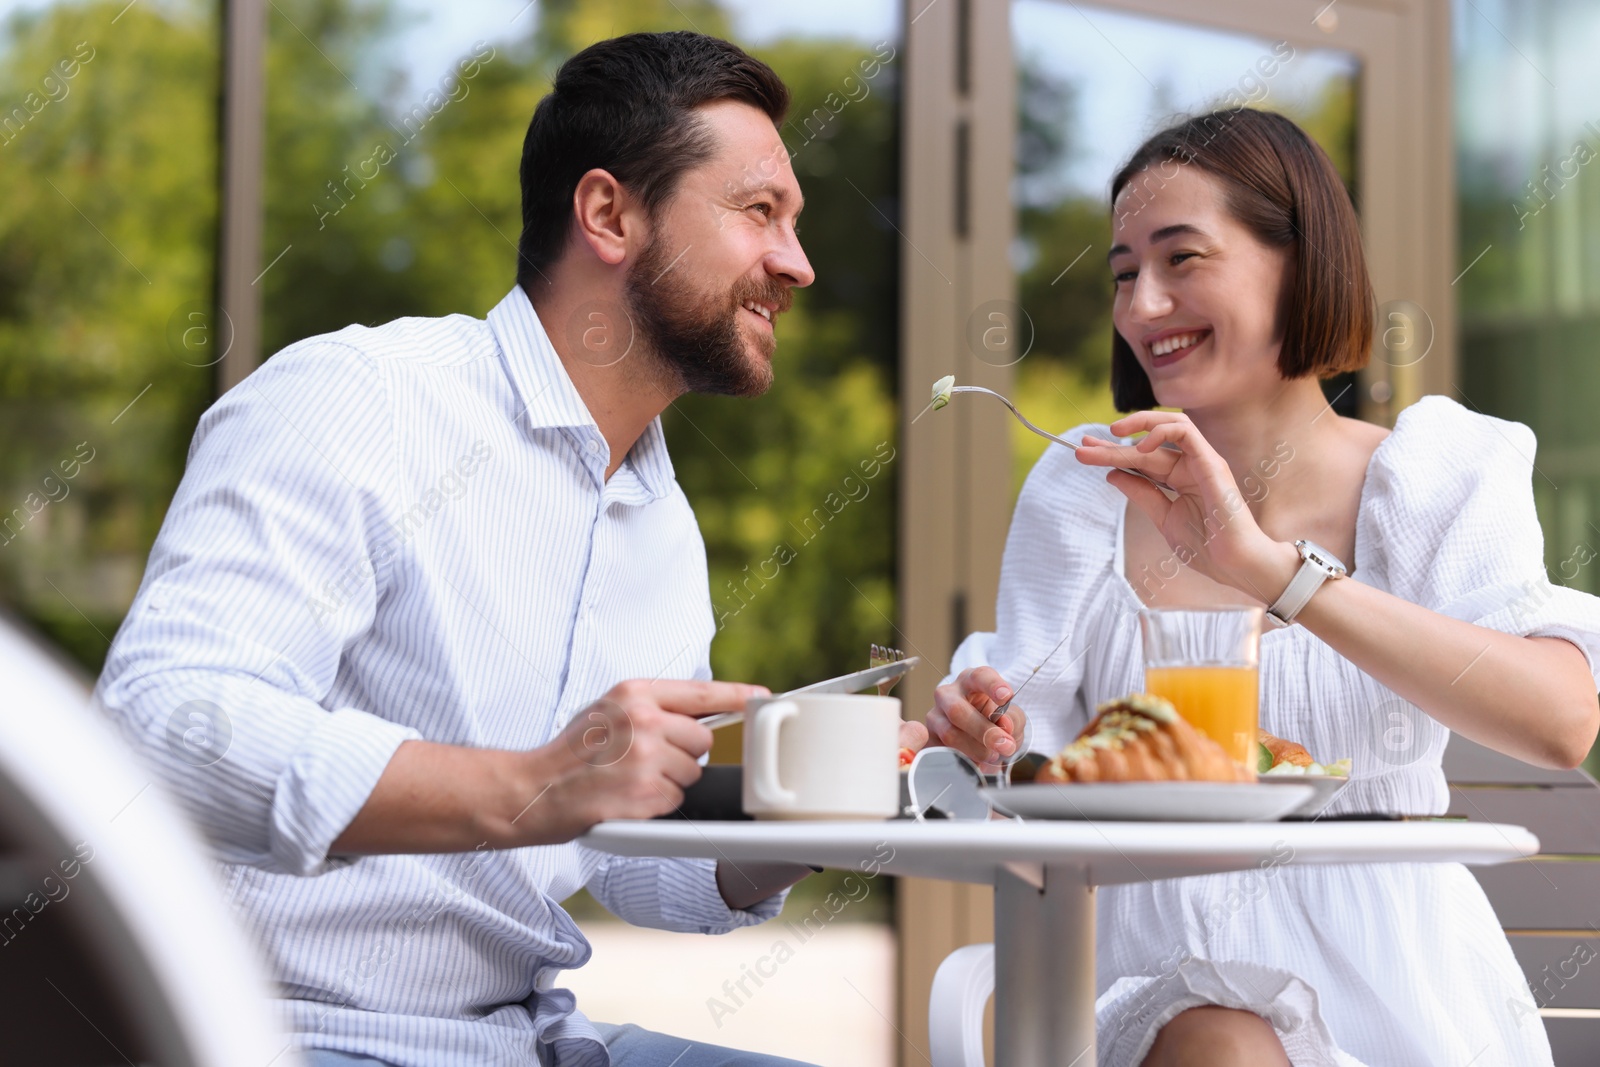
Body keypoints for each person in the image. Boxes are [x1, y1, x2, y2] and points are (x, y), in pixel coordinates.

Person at [95, 31, 822, 1067]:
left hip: (523, 1036)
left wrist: (814, 818)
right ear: (610, 214)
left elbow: (631, 862)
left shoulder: (660, 517)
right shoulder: (359, 399)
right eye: (760, 213)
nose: (797, 263)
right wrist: (531, 781)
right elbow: (162, 722)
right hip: (277, 1031)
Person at [901, 108, 1600, 1066]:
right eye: (1122, 274)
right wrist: (979, 740)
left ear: (1300, 265)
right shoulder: (1082, 489)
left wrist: (1267, 568)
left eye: (1182, 259)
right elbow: (1020, 793)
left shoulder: (1439, 472)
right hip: (1154, 981)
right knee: (1219, 1039)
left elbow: (1560, 721)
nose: (1143, 306)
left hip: (1400, 994)